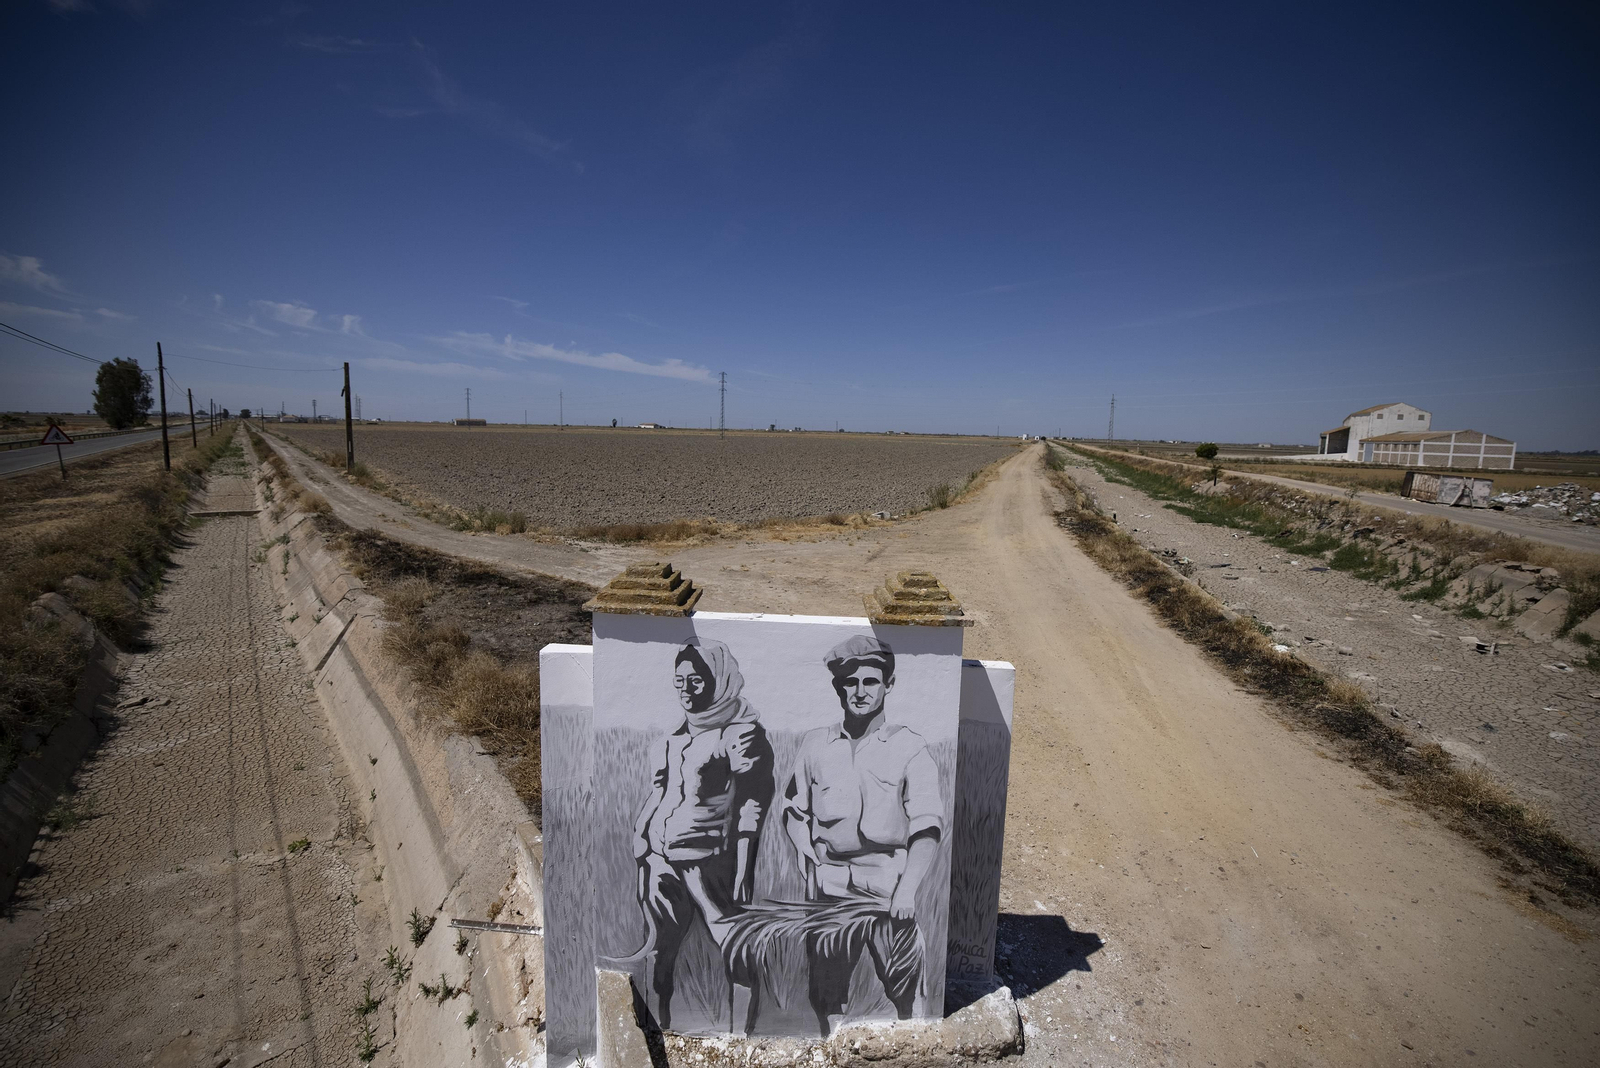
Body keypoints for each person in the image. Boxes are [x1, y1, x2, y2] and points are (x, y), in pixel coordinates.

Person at [782, 635, 943, 1032]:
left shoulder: (910, 747)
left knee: (907, 986)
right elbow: (793, 809)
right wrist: (808, 860)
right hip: (831, 888)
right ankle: (834, 1044)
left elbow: (927, 825)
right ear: (838, 688)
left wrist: (907, 890)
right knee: (826, 989)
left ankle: (913, 1049)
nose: (859, 692)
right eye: (849, 683)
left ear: (888, 685)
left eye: (870, 682)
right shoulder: (815, 744)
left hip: (888, 889)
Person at [633, 638, 773, 1031]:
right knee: (659, 949)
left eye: (696, 680)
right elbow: (658, 789)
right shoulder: (675, 735)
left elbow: (753, 801)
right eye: (680, 680)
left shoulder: (740, 733)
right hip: (660, 860)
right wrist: (641, 834)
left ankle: (741, 1039)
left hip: (707, 862)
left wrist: (744, 865)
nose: (687, 689)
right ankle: (656, 1030)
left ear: (719, 680)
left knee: (733, 947)